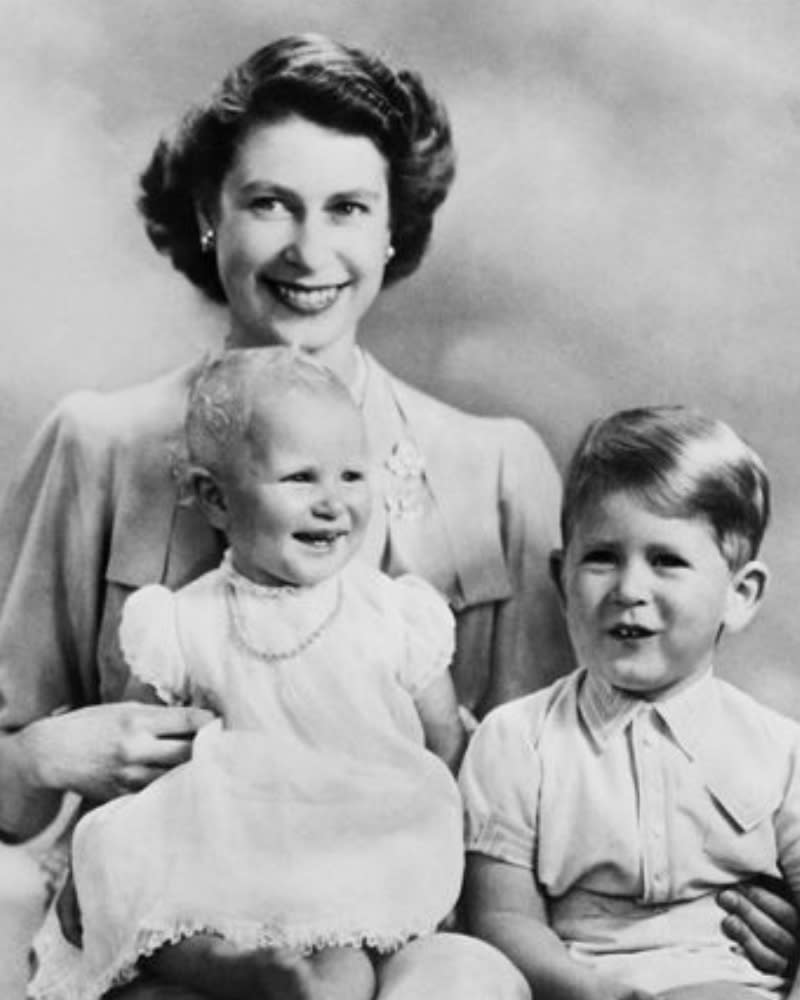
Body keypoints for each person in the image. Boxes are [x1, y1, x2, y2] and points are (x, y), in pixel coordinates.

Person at [0, 30, 790, 998]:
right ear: (209, 215)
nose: (308, 250)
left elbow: (573, 759)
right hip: (172, 912)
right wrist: (38, 755)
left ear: (389, 230)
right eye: (266, 203)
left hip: (417, 904)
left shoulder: (493, 465)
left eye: (346, 209)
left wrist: (719, 899)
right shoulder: (99, 444)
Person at [31, 347, 469, 1000]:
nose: (332, 503)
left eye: (352, 475)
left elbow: (447, 743)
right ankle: (232, 969)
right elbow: (129, 756)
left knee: (343, 964)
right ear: (215, 498)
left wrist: (447, 851)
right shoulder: (182, 621)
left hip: (347, 846)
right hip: (219, 847)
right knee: (161, 931)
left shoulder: (393, 614)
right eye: (299, 479)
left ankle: (297, 983)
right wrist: (89, 866)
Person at [459, 405, 800, 999]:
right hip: (572, 985)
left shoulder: (779, 750)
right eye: (602, 558)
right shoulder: (516, 739)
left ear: (739, 595)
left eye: (666, 561)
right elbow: (502, 917)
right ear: (563, 579)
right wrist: (591, 991)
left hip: (724, 983)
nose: (629, 590)